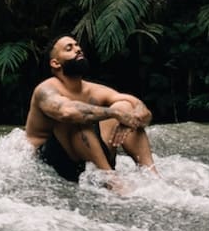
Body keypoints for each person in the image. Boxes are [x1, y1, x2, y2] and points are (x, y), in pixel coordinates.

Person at [24, 34, 157, 183]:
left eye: (77, 46)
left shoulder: (94, 89)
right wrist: (116, 113)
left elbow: (145, 113)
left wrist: (130, 119)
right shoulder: (45, 90)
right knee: (78, 116)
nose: (78, 49)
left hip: (91, 157)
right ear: (55, 63)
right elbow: (66, 112)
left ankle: (152, 176)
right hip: (54, 162)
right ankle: (112, 181)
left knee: (125, 105)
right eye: (69, 48)